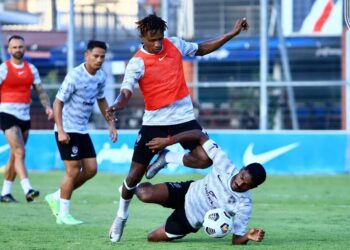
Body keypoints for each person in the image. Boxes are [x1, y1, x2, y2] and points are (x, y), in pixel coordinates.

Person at [107, 14, 249, 242]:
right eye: (152, 39)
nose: (157, 44)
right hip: (154, 122)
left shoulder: (174, 43)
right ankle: (121, 216)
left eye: (160, 38)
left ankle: (168, 157)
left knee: (205, 158)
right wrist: (116, 105)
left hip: (183, 117)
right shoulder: (137, 62)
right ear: (142, 37)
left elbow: (201, 49)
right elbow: (126, 92)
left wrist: (231, 34)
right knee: (133, 177)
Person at [136, 129, 266, 244]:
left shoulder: (244, 205)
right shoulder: (224, 163)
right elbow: (199, 135)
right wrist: (169, 140)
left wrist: (247, 236)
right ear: (241, 169)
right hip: (187, 191)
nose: (240, 184)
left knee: (152, 237)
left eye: (246, 185)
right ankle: (137, 182)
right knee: (143, 193)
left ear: (254, 187)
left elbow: (236, 239)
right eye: (242, 177)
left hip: (189, 220)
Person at [45, 40, 118, 225]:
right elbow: (57, 102)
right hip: (67, 129)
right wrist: (60, 130)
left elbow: (101, 101)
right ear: (87, 55)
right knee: (73, 170)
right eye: (95, 56)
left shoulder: (101, 76)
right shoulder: (75, 75)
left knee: (92, 169)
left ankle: (56, 196)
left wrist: (111, 125)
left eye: (102, 56)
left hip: (82, 130)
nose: (99, 59)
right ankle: (63, 214)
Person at [0, 35, 53, 203]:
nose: (17, 50)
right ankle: (28, 189)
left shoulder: (31, 69)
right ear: (9, 50)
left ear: (24, 48)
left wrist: (47, 107)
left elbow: (41, 91)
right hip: (7, 114)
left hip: (24, 115)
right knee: (20, 152)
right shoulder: (4, 69)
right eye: (14, 47)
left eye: (20, 47)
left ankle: (5, 193)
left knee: (14, 156)